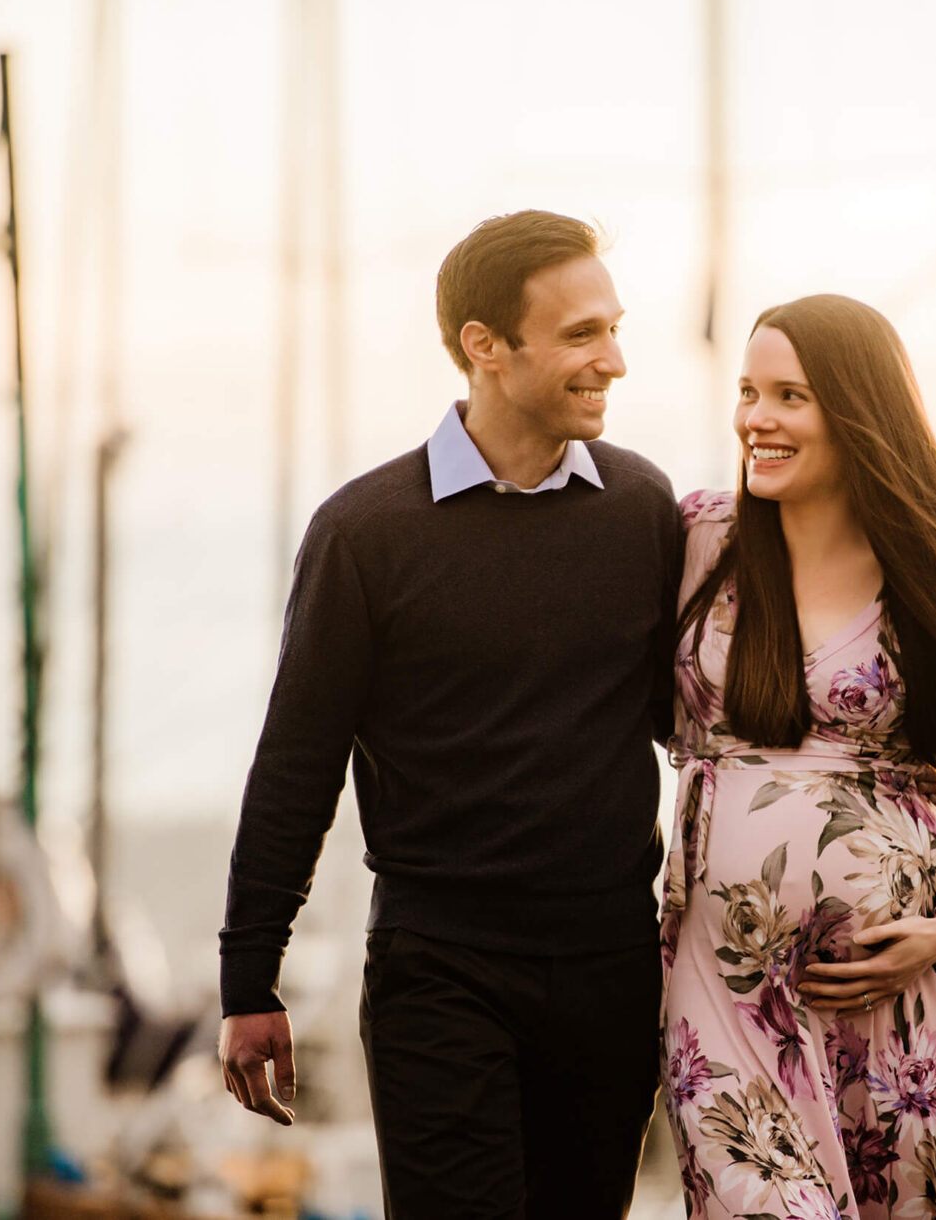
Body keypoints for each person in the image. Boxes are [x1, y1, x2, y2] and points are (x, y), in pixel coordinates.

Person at [216, 210, 683, 1218]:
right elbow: (298, 765)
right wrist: (249, 980)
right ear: (484, 344)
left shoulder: (644, 509)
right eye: (580, 334)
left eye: (613, 327)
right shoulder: (364, 533)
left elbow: (693, 725)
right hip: (441, 967)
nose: (614, 359)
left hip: (610, 964)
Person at [660, 294, 936, 1219]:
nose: (757, 418)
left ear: (856, 411)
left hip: (907, 996)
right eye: (749, 391)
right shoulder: (700, 539)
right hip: (727, 992)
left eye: (789, 396)